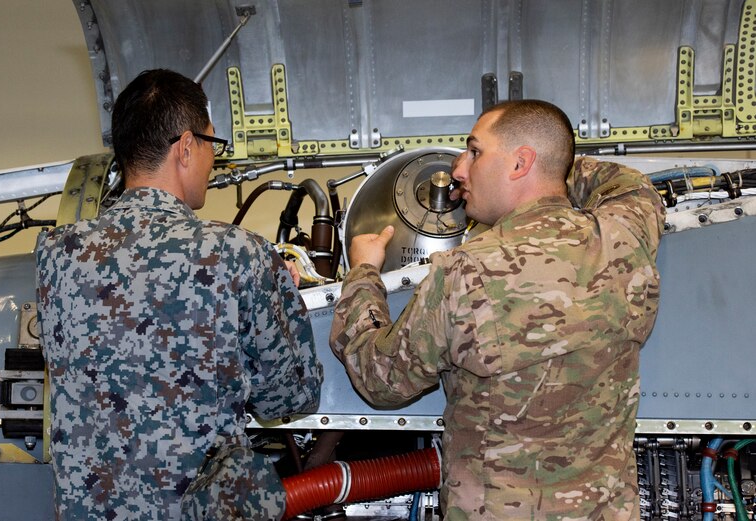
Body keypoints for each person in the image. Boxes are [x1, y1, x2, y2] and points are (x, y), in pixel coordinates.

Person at [329, 99, 665, 520]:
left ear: (520, 162)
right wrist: (554, 171)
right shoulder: (622, 237)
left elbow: (381, 377)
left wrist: (362, 272)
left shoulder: (464, 272)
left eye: (474, 152)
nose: (458, 169)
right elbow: (629, 183)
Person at [36, 69, 323, 521]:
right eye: (213, 146)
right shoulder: (239, 254)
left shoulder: (57, 253)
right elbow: (288, 399)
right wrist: (284, 295)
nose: (214, 162)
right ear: (186, 147)